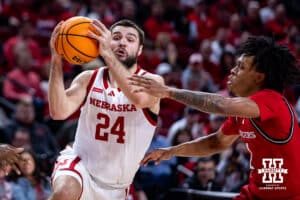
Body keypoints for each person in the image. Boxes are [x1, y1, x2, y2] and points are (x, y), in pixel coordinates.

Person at [129, 36, 300, 199]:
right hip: (256, 194)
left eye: (240, 67)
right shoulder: (243, 112)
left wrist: (168, 92)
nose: (232, 71)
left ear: (259, 77)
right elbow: (216, 143)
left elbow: (221, 105)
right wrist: (172, 151)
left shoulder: (272, 100)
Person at [48, 19, 162, 200]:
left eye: (130, 39)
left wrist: (109, 54)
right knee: (65, 192)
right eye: (116, 37)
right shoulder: (89, 78)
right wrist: (56, 59)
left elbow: (139, 99)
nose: (122, 42)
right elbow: (58, 112)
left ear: (140, 50)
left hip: (117, 187)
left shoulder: (153, 82)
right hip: (81, 167)